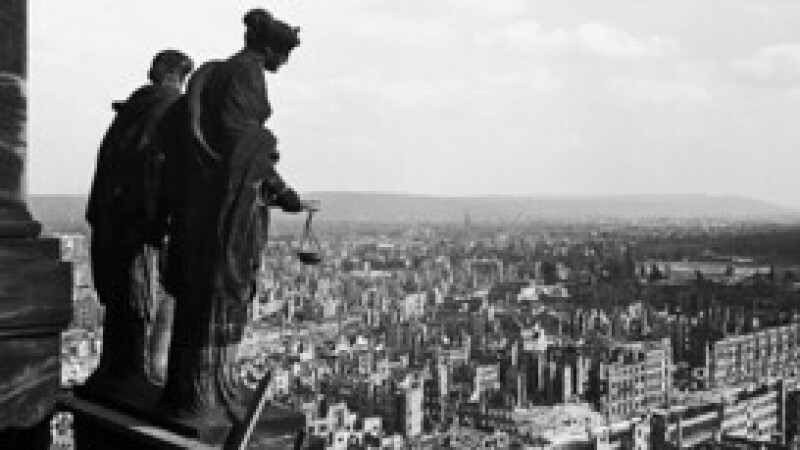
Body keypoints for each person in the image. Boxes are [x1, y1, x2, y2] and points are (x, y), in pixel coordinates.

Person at [158, 9, 312, 428]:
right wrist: (280, 188)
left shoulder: (219, 71)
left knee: (202, 296)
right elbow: (241, 143)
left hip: (201, 204)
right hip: (226, 211)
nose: (284, 63)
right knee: (224, 292)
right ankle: (211, 392)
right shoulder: (246, 75)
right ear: (271, 48)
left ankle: (192, 388)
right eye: (284, 55)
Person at [84, 50, 194, 393]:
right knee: (142, 297)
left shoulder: (130, 111)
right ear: (180, 76)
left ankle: (118, 369)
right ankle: (134, 373)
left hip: (113, 216)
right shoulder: (173, 109)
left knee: (122, 297)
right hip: (143, 220)